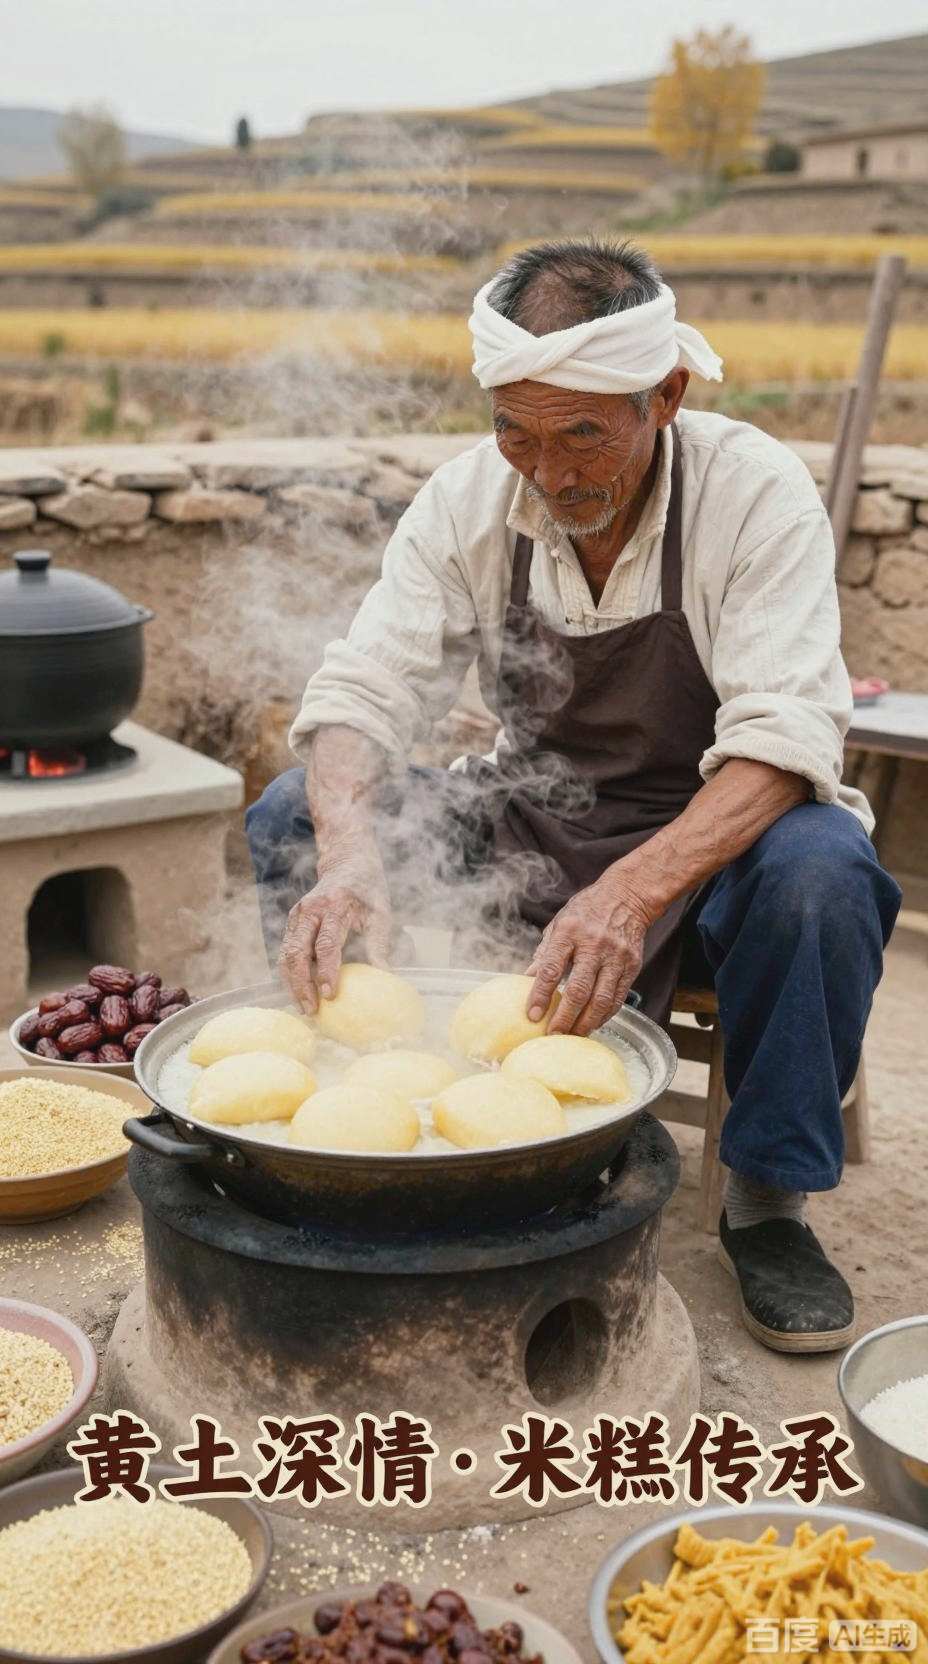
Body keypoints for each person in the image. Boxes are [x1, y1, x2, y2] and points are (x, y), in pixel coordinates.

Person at [247, 238, 900, 1354]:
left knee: (823, 875)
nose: (548, 474)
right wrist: (351, 850)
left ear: (665, 397)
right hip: (536, 812)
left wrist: (630, 892)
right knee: (292, 814)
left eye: (583, 434)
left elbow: (786, 736)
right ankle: (352, 1114)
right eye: (518, 432)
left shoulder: (752, 493)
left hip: (718, 838)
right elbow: (364, 690)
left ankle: (767, 1204)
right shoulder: (469, 497)